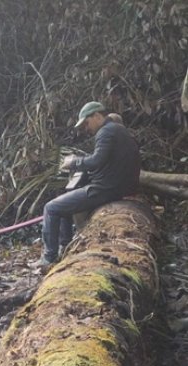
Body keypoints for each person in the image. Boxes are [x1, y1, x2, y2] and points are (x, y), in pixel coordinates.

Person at [33, 102, 141, 269]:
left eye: (86, 123)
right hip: (119, 186)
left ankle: (48, 258)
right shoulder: (118, 130)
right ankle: (65, 247)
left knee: (51, 208)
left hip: (106, 189)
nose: (86, 128)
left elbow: (96, 160)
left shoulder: (106, 132)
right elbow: (104, 159)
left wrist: (74, 162)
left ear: (97, 116)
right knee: (64, 206)